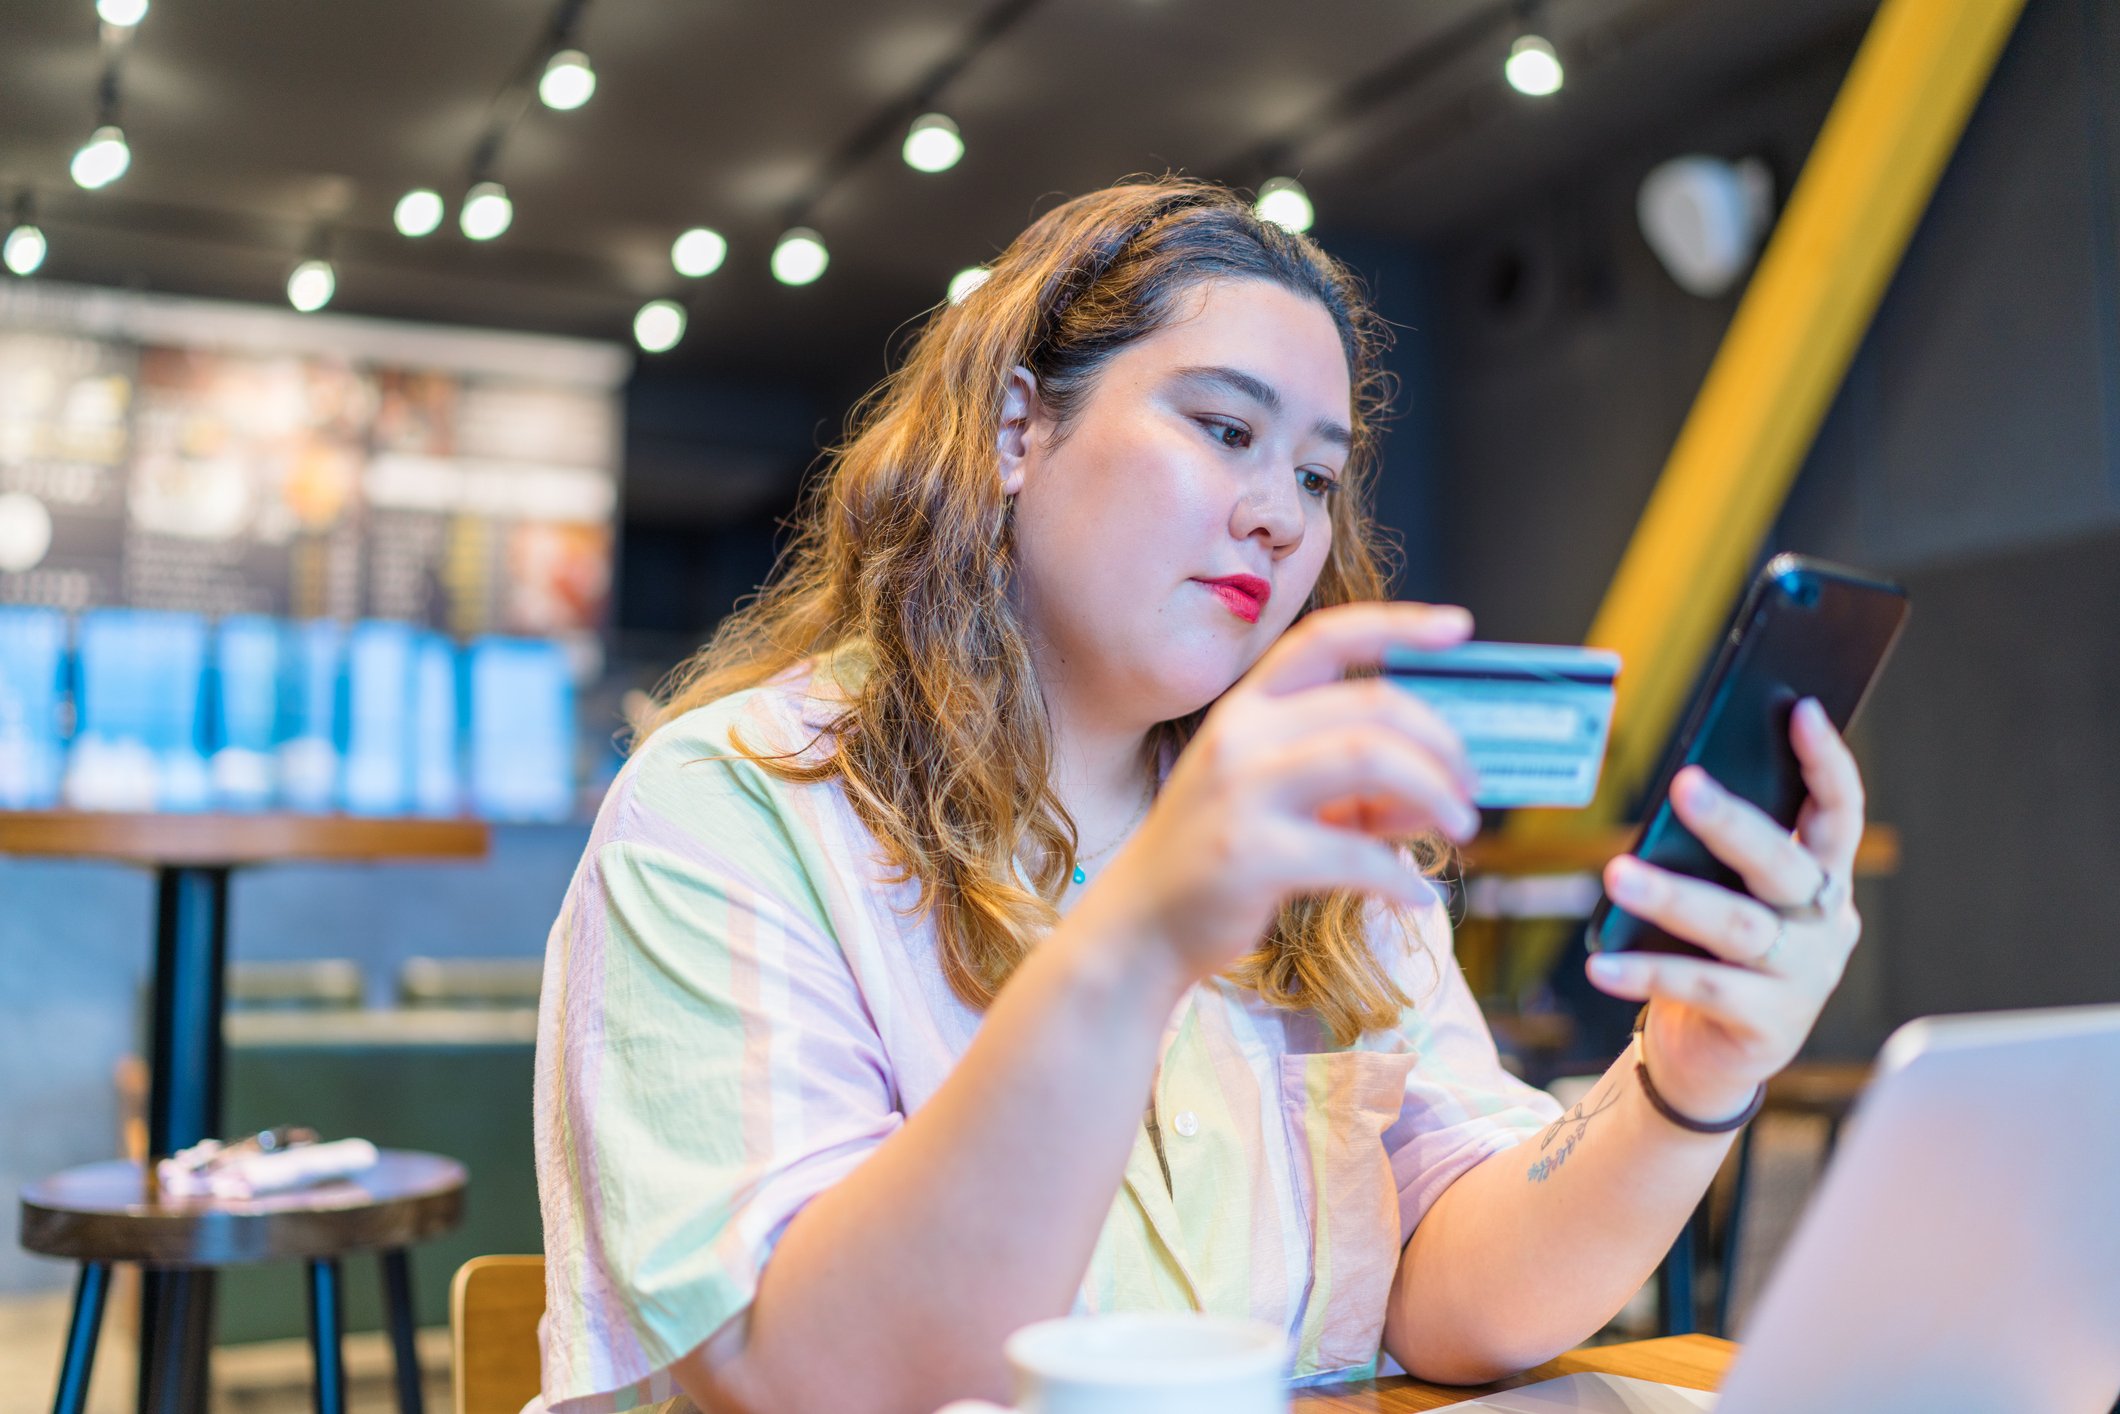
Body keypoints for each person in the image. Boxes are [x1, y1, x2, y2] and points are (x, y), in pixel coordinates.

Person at [531, 177, 1868, 1414]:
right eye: (1225, 428)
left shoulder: (1315, 831)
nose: (1285, 517)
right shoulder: (727, 812)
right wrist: (1144, 938)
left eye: (1314, 474)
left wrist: (1689, 1074)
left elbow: (1465, 1291)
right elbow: (798, 1372)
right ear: (1016, 425)